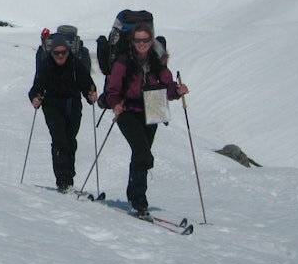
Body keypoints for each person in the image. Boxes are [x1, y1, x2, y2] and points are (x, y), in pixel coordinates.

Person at [102, 24, 188, 217]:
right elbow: (112, 89)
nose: (142, 44)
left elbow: (168, 86)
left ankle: (135, 196)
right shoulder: (123, 62)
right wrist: (115, 103)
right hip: (127, 111)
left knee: (140, 154)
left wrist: (177, 91)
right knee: (143, 154)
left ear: (151, 41)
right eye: (138, 40)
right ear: (132, 42)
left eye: (145, 40)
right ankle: (139, 201)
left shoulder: (157, 62)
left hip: (152, 110)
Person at [28, 33, 99, 192]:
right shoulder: (46, 65)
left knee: (70, 140)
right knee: (60, 140)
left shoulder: (75, 64)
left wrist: (90, 94)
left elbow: (87, 83)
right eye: (56, 53)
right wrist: (35, 97)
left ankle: (68, 178)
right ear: (52, 53)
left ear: (68, 51)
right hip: (52, 107)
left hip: (73, 105)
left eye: (63, 52)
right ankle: (63, 180)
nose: (60, 56)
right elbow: (37, 87)